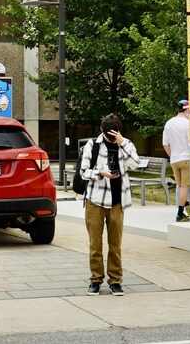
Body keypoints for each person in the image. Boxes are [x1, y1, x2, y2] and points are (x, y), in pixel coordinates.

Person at [79, 113, 142, 297]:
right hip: (95, 201)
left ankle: (115, 281)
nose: (111, 139)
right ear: (102, 131)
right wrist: (101, 172)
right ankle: (95, 281)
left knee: (115, 245)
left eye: (114, 135)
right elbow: (84, 172)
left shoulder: (125, 144)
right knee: (95, 244)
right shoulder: (93, 145)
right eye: (109, 136)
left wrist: (122, 142)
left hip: (117, 201)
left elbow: (136, 164)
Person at [163, 99, 190, 223]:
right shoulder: (187, 123)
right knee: (185, 187)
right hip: (186, 158)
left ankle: (187, 209)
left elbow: (165, 143)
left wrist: (172, 155)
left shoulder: (169, 123)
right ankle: (180, 213)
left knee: (180, 186)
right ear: (187, 108)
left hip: (174, 159)